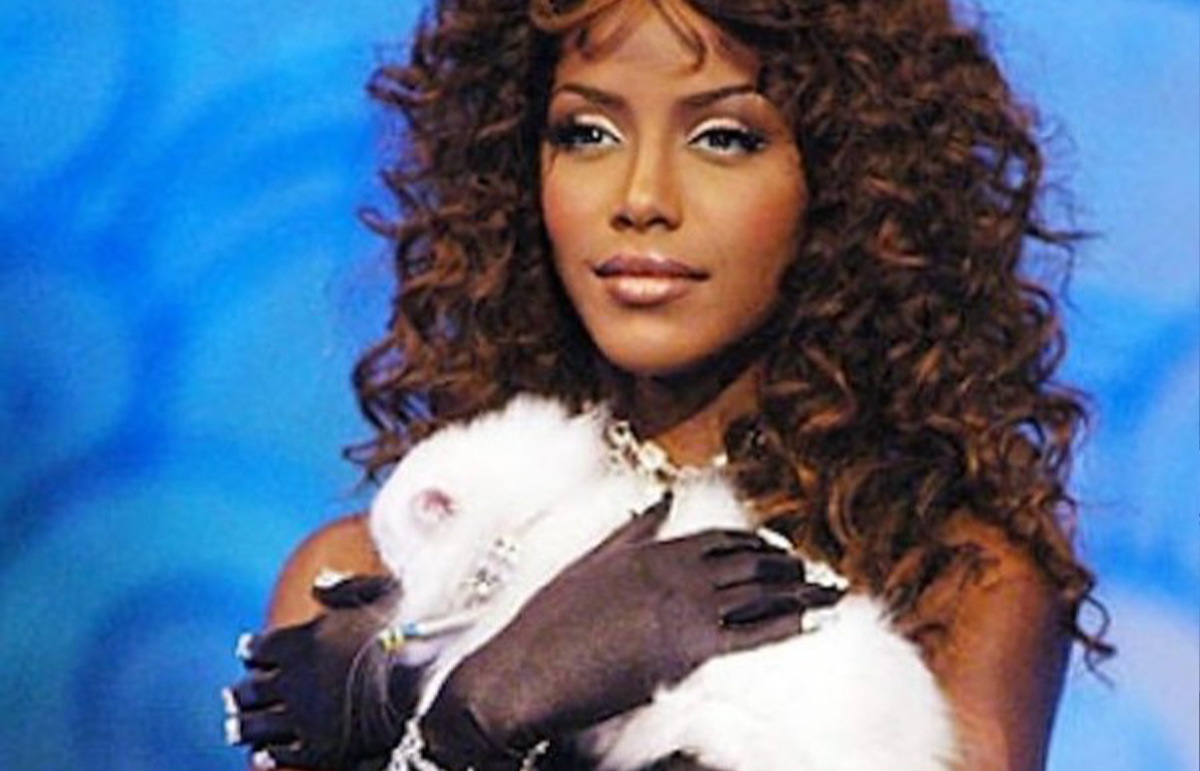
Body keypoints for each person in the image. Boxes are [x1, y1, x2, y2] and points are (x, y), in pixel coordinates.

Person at [223, 0, 1111, 769]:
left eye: (724, 137)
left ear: (852, 180)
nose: (642, 195)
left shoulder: (951, 583)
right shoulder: (368, 584)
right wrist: (478, 709)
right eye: (587, 133)